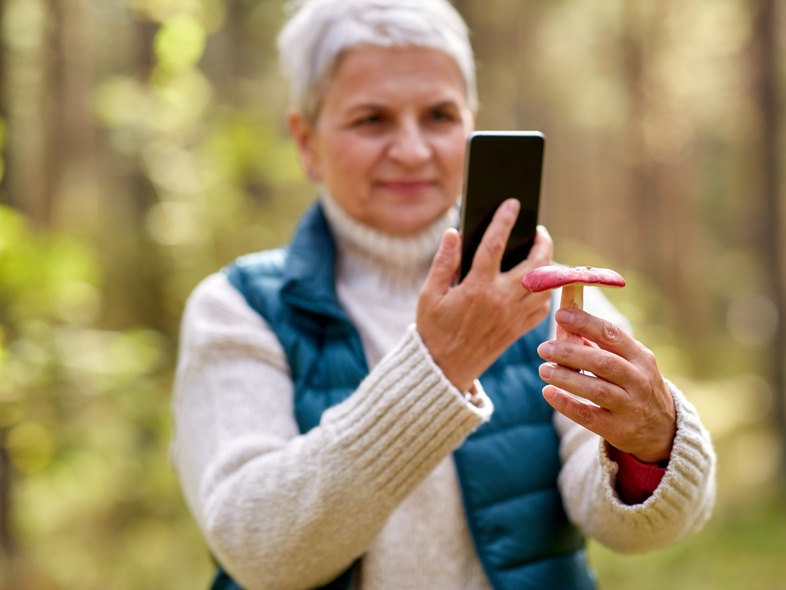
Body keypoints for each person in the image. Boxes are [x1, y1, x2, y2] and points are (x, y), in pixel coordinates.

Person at [170, 1, 716, 588]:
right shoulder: (239, 309)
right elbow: (258, 552)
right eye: (371, 120)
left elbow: (640, 528)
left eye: (438, 115)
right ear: (306, 141)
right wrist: (440, 365)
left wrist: (653, 444)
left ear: (470, 124)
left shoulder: (546, 296)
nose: (412, 150)